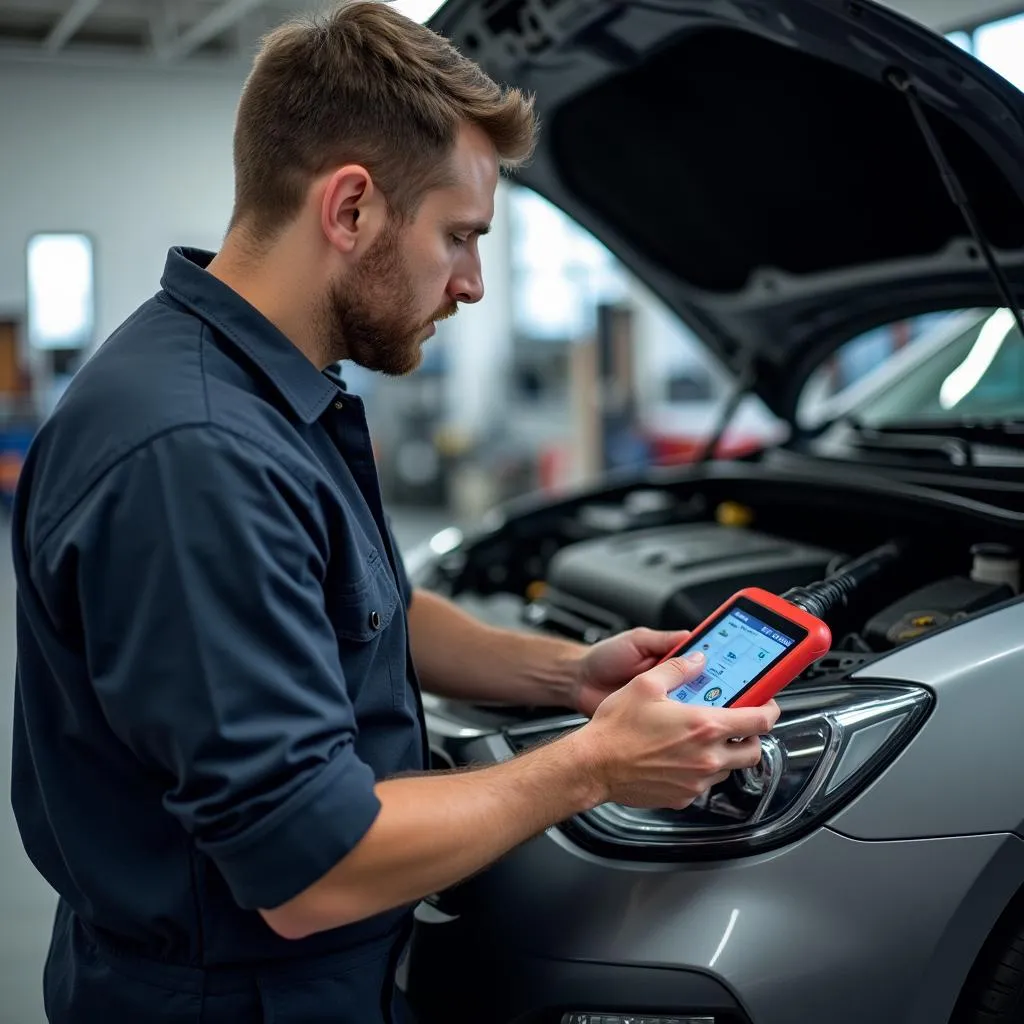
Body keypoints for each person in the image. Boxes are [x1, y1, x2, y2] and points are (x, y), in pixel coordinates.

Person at [9, 3, 780, 1023]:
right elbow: (311, 867)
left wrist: (566, 673)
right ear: (351, 209)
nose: (470, 282)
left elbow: (362, 608)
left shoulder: (255, 387)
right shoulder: (198, 453)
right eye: (459, 236)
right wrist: (594, 765)